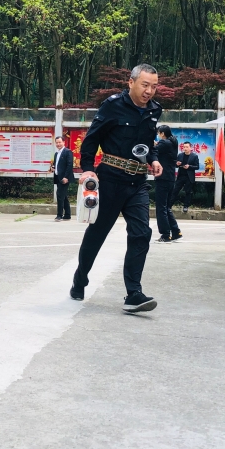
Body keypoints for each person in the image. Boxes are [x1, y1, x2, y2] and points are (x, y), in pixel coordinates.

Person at [69, 64, 163, 313]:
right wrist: (87, 168)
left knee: (141, 233)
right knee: (97, 234)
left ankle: (134, 293)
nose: (149, 91)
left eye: (154, 86)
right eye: (145, 85)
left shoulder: (155, 110)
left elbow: (148, 142)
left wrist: (153, 159)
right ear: (131, 82)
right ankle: (80, 279)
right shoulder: (112, 105)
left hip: (138, 182)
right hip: (111, 179)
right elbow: (92, 138)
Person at [154, 126, 182, 243]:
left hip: (163, 178)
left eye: (158, 133)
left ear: (162, 133)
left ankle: (165, 234)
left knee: (161, 207)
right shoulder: (172, 142)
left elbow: (153, 149)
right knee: (166, 207)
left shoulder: (164, 143)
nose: (158, 135)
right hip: (170, 178)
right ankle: (175, 231)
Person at [50, 136, 75, 221]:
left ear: (64, 142)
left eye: (60, 142)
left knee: (60, 195)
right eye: (57, 142)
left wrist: (66, 177)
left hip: (64, 178)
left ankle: (59, 215)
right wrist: (53, 167)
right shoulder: (56, 154)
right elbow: (56, 164)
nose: (58, 144)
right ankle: (67, 215)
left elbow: (69, 165)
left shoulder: (68, 152)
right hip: (58, 177)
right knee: (63, 196)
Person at [171, 141, 199, 213]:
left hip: (189, 177)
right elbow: (175, 165)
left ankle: (186, 206)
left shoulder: (194, 156)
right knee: (175, 190)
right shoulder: (180, 155)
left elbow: (197, 166)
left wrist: (189, 167)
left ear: (190, 148)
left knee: (188, 192)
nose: (185, 148)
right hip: (180, 176)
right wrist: (177, 164)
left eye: (187, 147)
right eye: (184, 147)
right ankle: (169, 205)